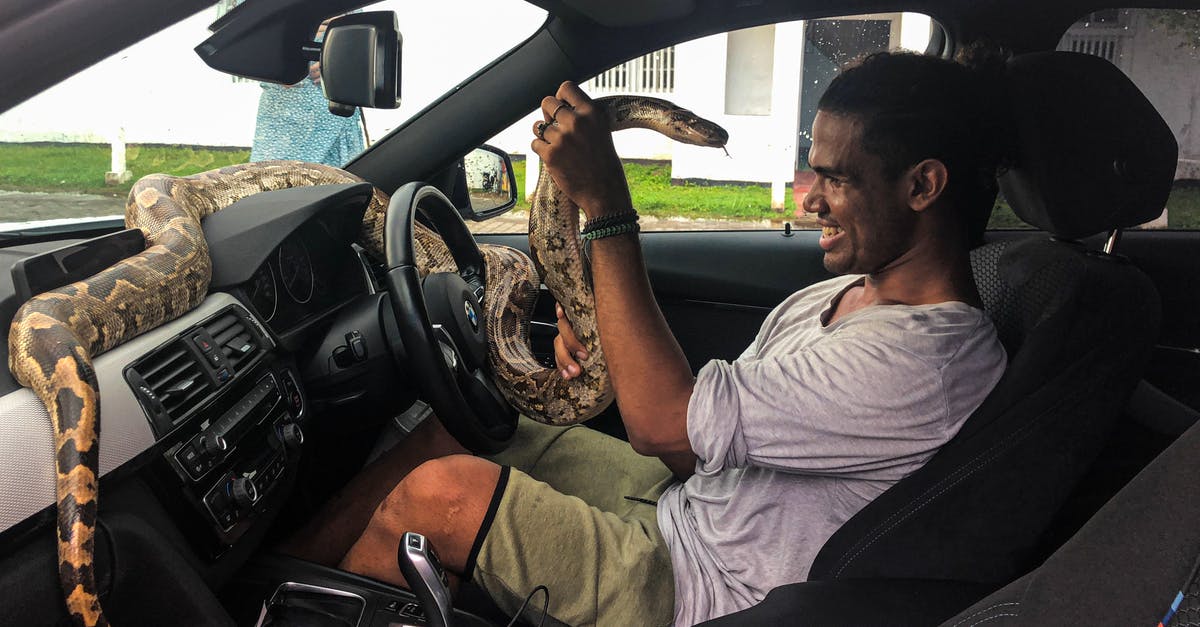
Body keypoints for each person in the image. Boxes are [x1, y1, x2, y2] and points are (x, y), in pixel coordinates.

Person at [310, 50, 1011, 626]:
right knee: (468, 425)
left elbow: (660, 419)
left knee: (439, 496)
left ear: (923, 186)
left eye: (836, 179)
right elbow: (689, 443)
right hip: (685, 506)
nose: (811, 199)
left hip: (699, 589)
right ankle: (265, 574)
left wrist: (608, 208)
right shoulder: (841, 294)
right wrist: (596, 345)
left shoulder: (925, 360)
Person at [248, 25, 365, 166]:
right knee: (273, 180)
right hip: (285, 117)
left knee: (345, 182)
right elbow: (254, 39)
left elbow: (361, 41)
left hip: (340, 111)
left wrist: (337, 58)